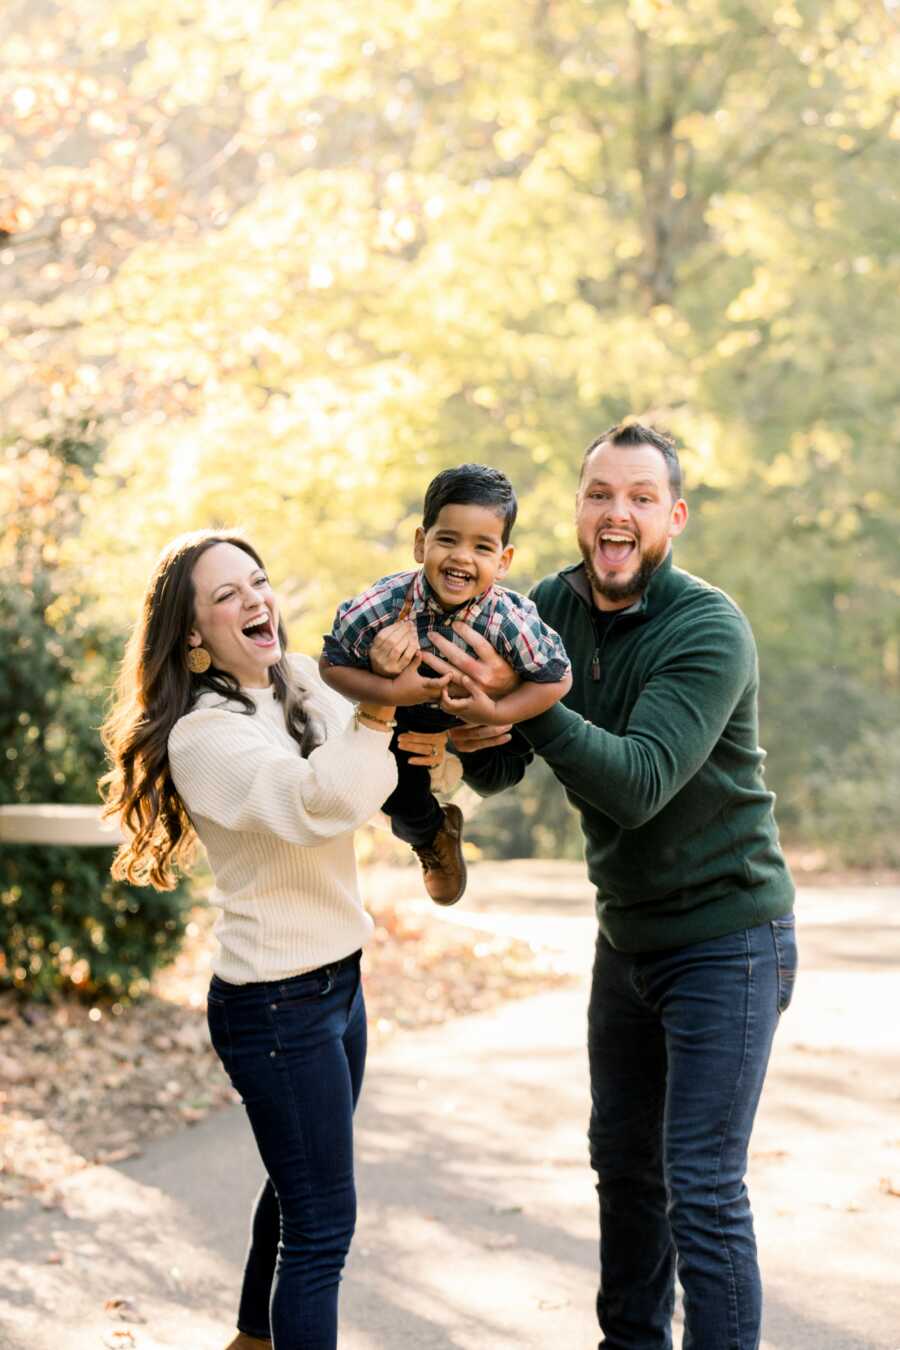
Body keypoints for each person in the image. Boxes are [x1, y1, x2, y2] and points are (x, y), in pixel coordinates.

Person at [401, 423, 798, 1350]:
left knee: (699, 1184)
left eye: (640, 498)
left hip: (728, 940)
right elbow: (505, 769)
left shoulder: (707, 626)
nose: (616, 514)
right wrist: (462, 723)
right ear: (577, 510)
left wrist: (524, 705)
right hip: (626, 940)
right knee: (623, 1168)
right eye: (598, 495)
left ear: (674, 516)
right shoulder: (544, 606)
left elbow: (638, 784)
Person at [99, 529, 444, 1350]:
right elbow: (320, 801)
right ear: (191, 633)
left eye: (257, 582)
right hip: (276, 1008)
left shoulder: (297, 681)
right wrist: (379, 710)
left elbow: (378, 767)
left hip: (337, 982)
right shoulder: (201, 736)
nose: (255, 600)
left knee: (300, 1198)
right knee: (324, 1227)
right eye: (226, 595)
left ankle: (254, 1340)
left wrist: (417, 711)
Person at [319, 463, 571, 906]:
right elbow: (331, 664)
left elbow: (558, 677)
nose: (461, 558)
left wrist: (496, 711)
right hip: (409, 708)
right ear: (421, 544)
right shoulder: (383, 606)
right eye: (448, 540)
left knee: (504, 767)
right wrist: (391, 693)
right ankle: (434, 837)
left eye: (482, 546)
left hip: (488, 712)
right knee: (395, 793)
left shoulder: (508, 619)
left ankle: (467, 754)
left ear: (503, 560)